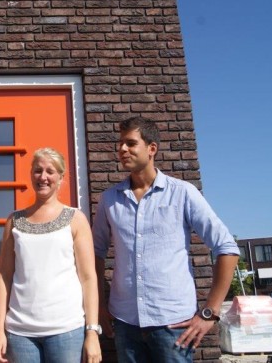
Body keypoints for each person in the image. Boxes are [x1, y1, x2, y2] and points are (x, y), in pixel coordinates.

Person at [92, 117, 239, 363]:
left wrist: (210, 312)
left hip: (173, 324)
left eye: (131, 143)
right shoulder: (109, 199)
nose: (122, 149)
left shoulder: (182, 193)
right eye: (121, 143)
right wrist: (98, 305)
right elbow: (95, 253)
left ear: (152, 148)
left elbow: (226, 247)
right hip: (125, 323)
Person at [0, 148, 102, 363]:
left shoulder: (76, 219)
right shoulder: (14, 221)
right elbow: (4, 276)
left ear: (61, 177)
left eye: (50, 171)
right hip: (20, 333)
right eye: (37, 170)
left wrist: (92, 332)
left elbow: (88, 278)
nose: (43, 177)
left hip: (67, 331)